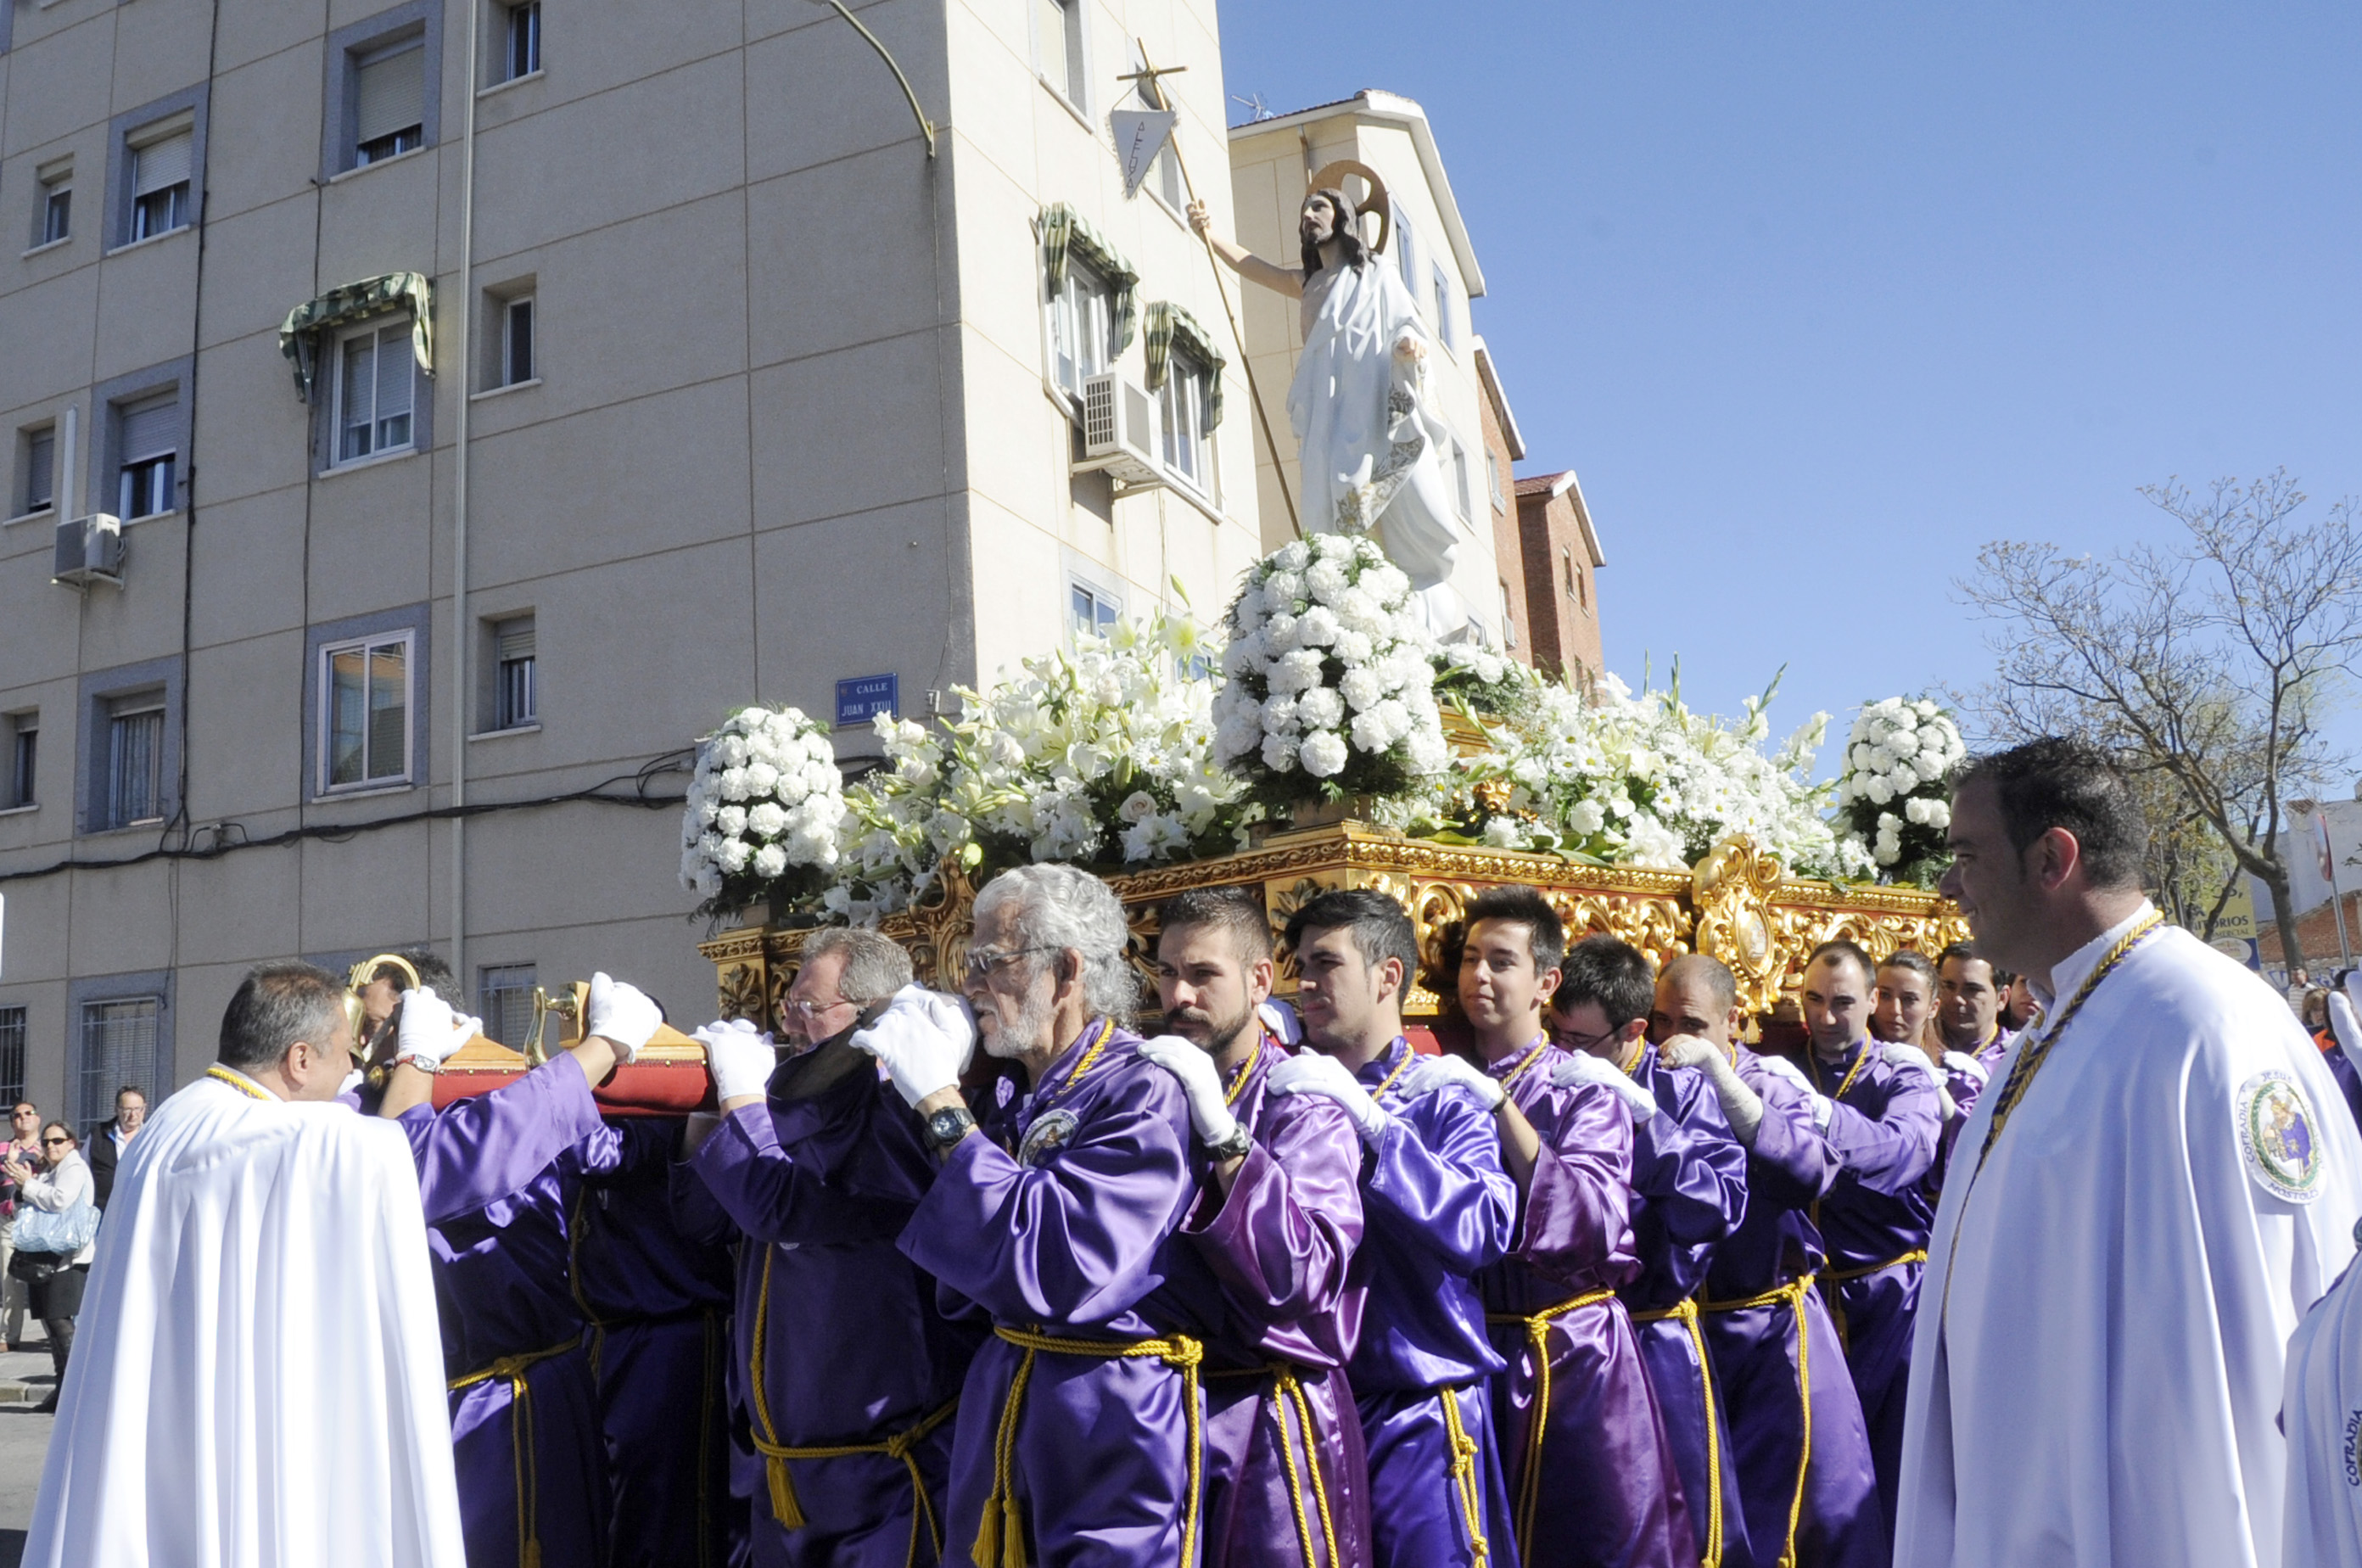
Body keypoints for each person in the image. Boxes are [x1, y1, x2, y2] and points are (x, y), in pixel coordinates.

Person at [1899, 737, 2362, 1567]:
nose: (1947, 883)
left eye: (1968, 854)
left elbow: (2260, 1339)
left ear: (2052, 857)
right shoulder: (2065, 1019)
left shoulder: (2203, 1028)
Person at [24, 960, 464, 1565]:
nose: (353, 1075)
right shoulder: (258, 1137)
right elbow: (384, 1157)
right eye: (347, 1058)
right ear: (300, 1060)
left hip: (171, 1419)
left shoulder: (180, 1118)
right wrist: (417, 1062)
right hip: (227, 1428)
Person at [877, 864, 1226, 1568]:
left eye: (989, 961)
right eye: (966, 962)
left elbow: (1059, 1261)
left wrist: (944, 1110)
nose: (971, 981)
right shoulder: (1015, 1093)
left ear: (1065, 972)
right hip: (1006, 1400)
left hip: (1106, 1420)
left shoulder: (1141, 1091)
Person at [686, 926, 981, 1568]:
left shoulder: (894, 1113)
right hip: (785, 1467)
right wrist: (702, 1112)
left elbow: (781, 1204)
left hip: (878, 1474)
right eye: (787, 1005)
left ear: (870, 1016)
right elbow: (703, 1221)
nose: (789, 1024)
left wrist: (740, 1100)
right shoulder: (800, 1106)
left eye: (809, 1009)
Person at [1424, 888, 1691, 1568]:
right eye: (1471, 958)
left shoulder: (1584, 1087)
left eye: (1502, 962)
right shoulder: (1439, 1079)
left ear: (1546, 982)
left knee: (1593, 1542)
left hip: (1574, 1353)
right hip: (1479, 1356)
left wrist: (1502, 1111)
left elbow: (1596, 1225)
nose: (1479, 976)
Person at [374, 972, 668, 1568]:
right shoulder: (368, 1104)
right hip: (430, 1398)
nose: (370, 1041)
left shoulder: (499, 1103)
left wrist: (600, 1051)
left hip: (511, 1395)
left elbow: (412, 1168)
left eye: (387, 1023)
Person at [1268, 888, 1519, 1568]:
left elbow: (1485, 1226)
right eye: (1297, 966)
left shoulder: (1441, 1091)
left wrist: (1378, 1129)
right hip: (1310, 1407)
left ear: (1388, 977)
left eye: (1326, 964)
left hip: (1419, 1411)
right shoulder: (1282, 1086)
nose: (1305, 984)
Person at [1143, 887, 1372, 1568]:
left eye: (1203, 974)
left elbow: (1302, 1270)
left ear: (1260, 979)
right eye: (1166, 972)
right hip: (1165, 1409)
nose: (1179, 994)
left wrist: (1224, 1139)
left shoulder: (1303, 1097)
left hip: (1273, 1421)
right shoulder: (1148, 1083)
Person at [1654, 954, 1883, 1568]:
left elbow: (1814, 1170)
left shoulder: (1768, 1081)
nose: (1673, 1038)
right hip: (1693, 1341)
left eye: (1693, 1025)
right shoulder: (1651, 1081)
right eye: (1660, 1020)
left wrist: (1726, 1088)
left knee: (1813, 1517)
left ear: (1735, 1022)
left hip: (1776, 1330)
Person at [1550, 935, 1751, 1568]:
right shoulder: (1554, 1082)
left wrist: (1647, 1126)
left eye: (1580, 1042)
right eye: (1557, 1035)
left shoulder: (1679, 1089)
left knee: (1687, 1528)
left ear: (1633, 1031)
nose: (1565, 1055)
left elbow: (1719, 1207)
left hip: (1657, 1336)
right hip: (1577, 1347)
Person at [1188, 188, 1467, 635]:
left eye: (1319, 207)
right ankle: (1339, 587)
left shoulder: (1377, 274)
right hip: (1326, 410)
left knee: (1371, 487)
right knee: (1330, 495)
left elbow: (1404, 320)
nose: (1308, 215)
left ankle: (1397, 597)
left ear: (1344, 218)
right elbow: (1250, 266)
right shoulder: (1309, 284)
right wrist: (1211, 232)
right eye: (1304, 209)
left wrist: (1408, 345)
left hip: (1370, 402)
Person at [1793, 943, 1943, 1549]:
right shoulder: (1782, 1060)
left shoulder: (1902, 1071)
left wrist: (1818, 1115)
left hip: (1891, 1301)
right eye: (1814, 1001)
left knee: (1896, 1463)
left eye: (1844, 1003)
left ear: (1873, 1002)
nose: (1827, 1018)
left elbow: (1902, 1153)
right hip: (1806, 1305)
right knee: (1823, 1476)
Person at [571, 1113, 742, 1568]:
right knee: (607, 1519)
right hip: (600, 1336)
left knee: (664, 1525)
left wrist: (551, 1101)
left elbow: (597, 1153)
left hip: (671, 1337)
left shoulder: (667, 1098)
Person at [4, 1123, 96, 1412]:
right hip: (44, 1255)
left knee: (59, 1319)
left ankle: (74, 1388)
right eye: (46, 1141)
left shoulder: (74, 1168)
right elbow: (26, 1207)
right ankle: (62, 1386)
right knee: (48, 1319)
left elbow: (60, 1201)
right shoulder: (48, 1169)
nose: (51, 1146)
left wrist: (28, 1185)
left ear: (71, 1142)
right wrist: (23, 1184)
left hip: (68, 1256)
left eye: (58, 1140)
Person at [1, 1098, 40, 1351]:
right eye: (16, 1115)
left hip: (39, 1223)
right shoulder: (3, 1148)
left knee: (44, 1280)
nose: (23, 1117)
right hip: (9, 1222)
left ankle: (56, 1332)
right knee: (8, 1280)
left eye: (28, 1113)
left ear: (37, 1118)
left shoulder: (48, 1146)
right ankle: (8, 1336)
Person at [81, 1085, 145, 1209]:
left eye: (138, 1109)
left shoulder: (152, 1136)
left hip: (139, 1208)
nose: (133, 1115)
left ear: (144, 1108)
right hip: (103, 1209)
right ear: (116, 1109)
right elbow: (83, 1170)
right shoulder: (98, 1134)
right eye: (127, 1109)